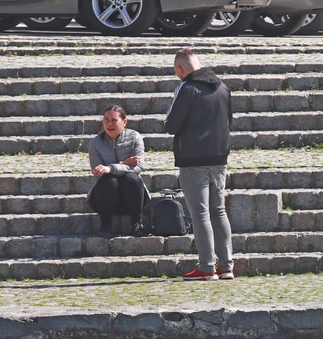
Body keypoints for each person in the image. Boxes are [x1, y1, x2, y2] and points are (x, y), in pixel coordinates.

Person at [164, 48, 234, 281]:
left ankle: (207, 267)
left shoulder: (187, 88)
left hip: (193, 158)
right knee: (219, 210)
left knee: (200, 214)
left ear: (180, 69)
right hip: (219, 157)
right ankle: (226, 267)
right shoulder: (223, 87)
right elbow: (229, 120)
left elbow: (171, 124)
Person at [88, 105, 150, 237]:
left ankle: (137, 223)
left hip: (132, 198)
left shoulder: (135, 137)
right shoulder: (95, 143)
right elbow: (98, 171)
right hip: (105, 198)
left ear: (124, 122)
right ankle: (106, 224)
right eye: (106, 120)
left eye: (114, 120)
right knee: (108, 180)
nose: (109, 124)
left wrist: (111, 168)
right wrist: (125, 164)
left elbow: (138, 167)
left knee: (131, 178)